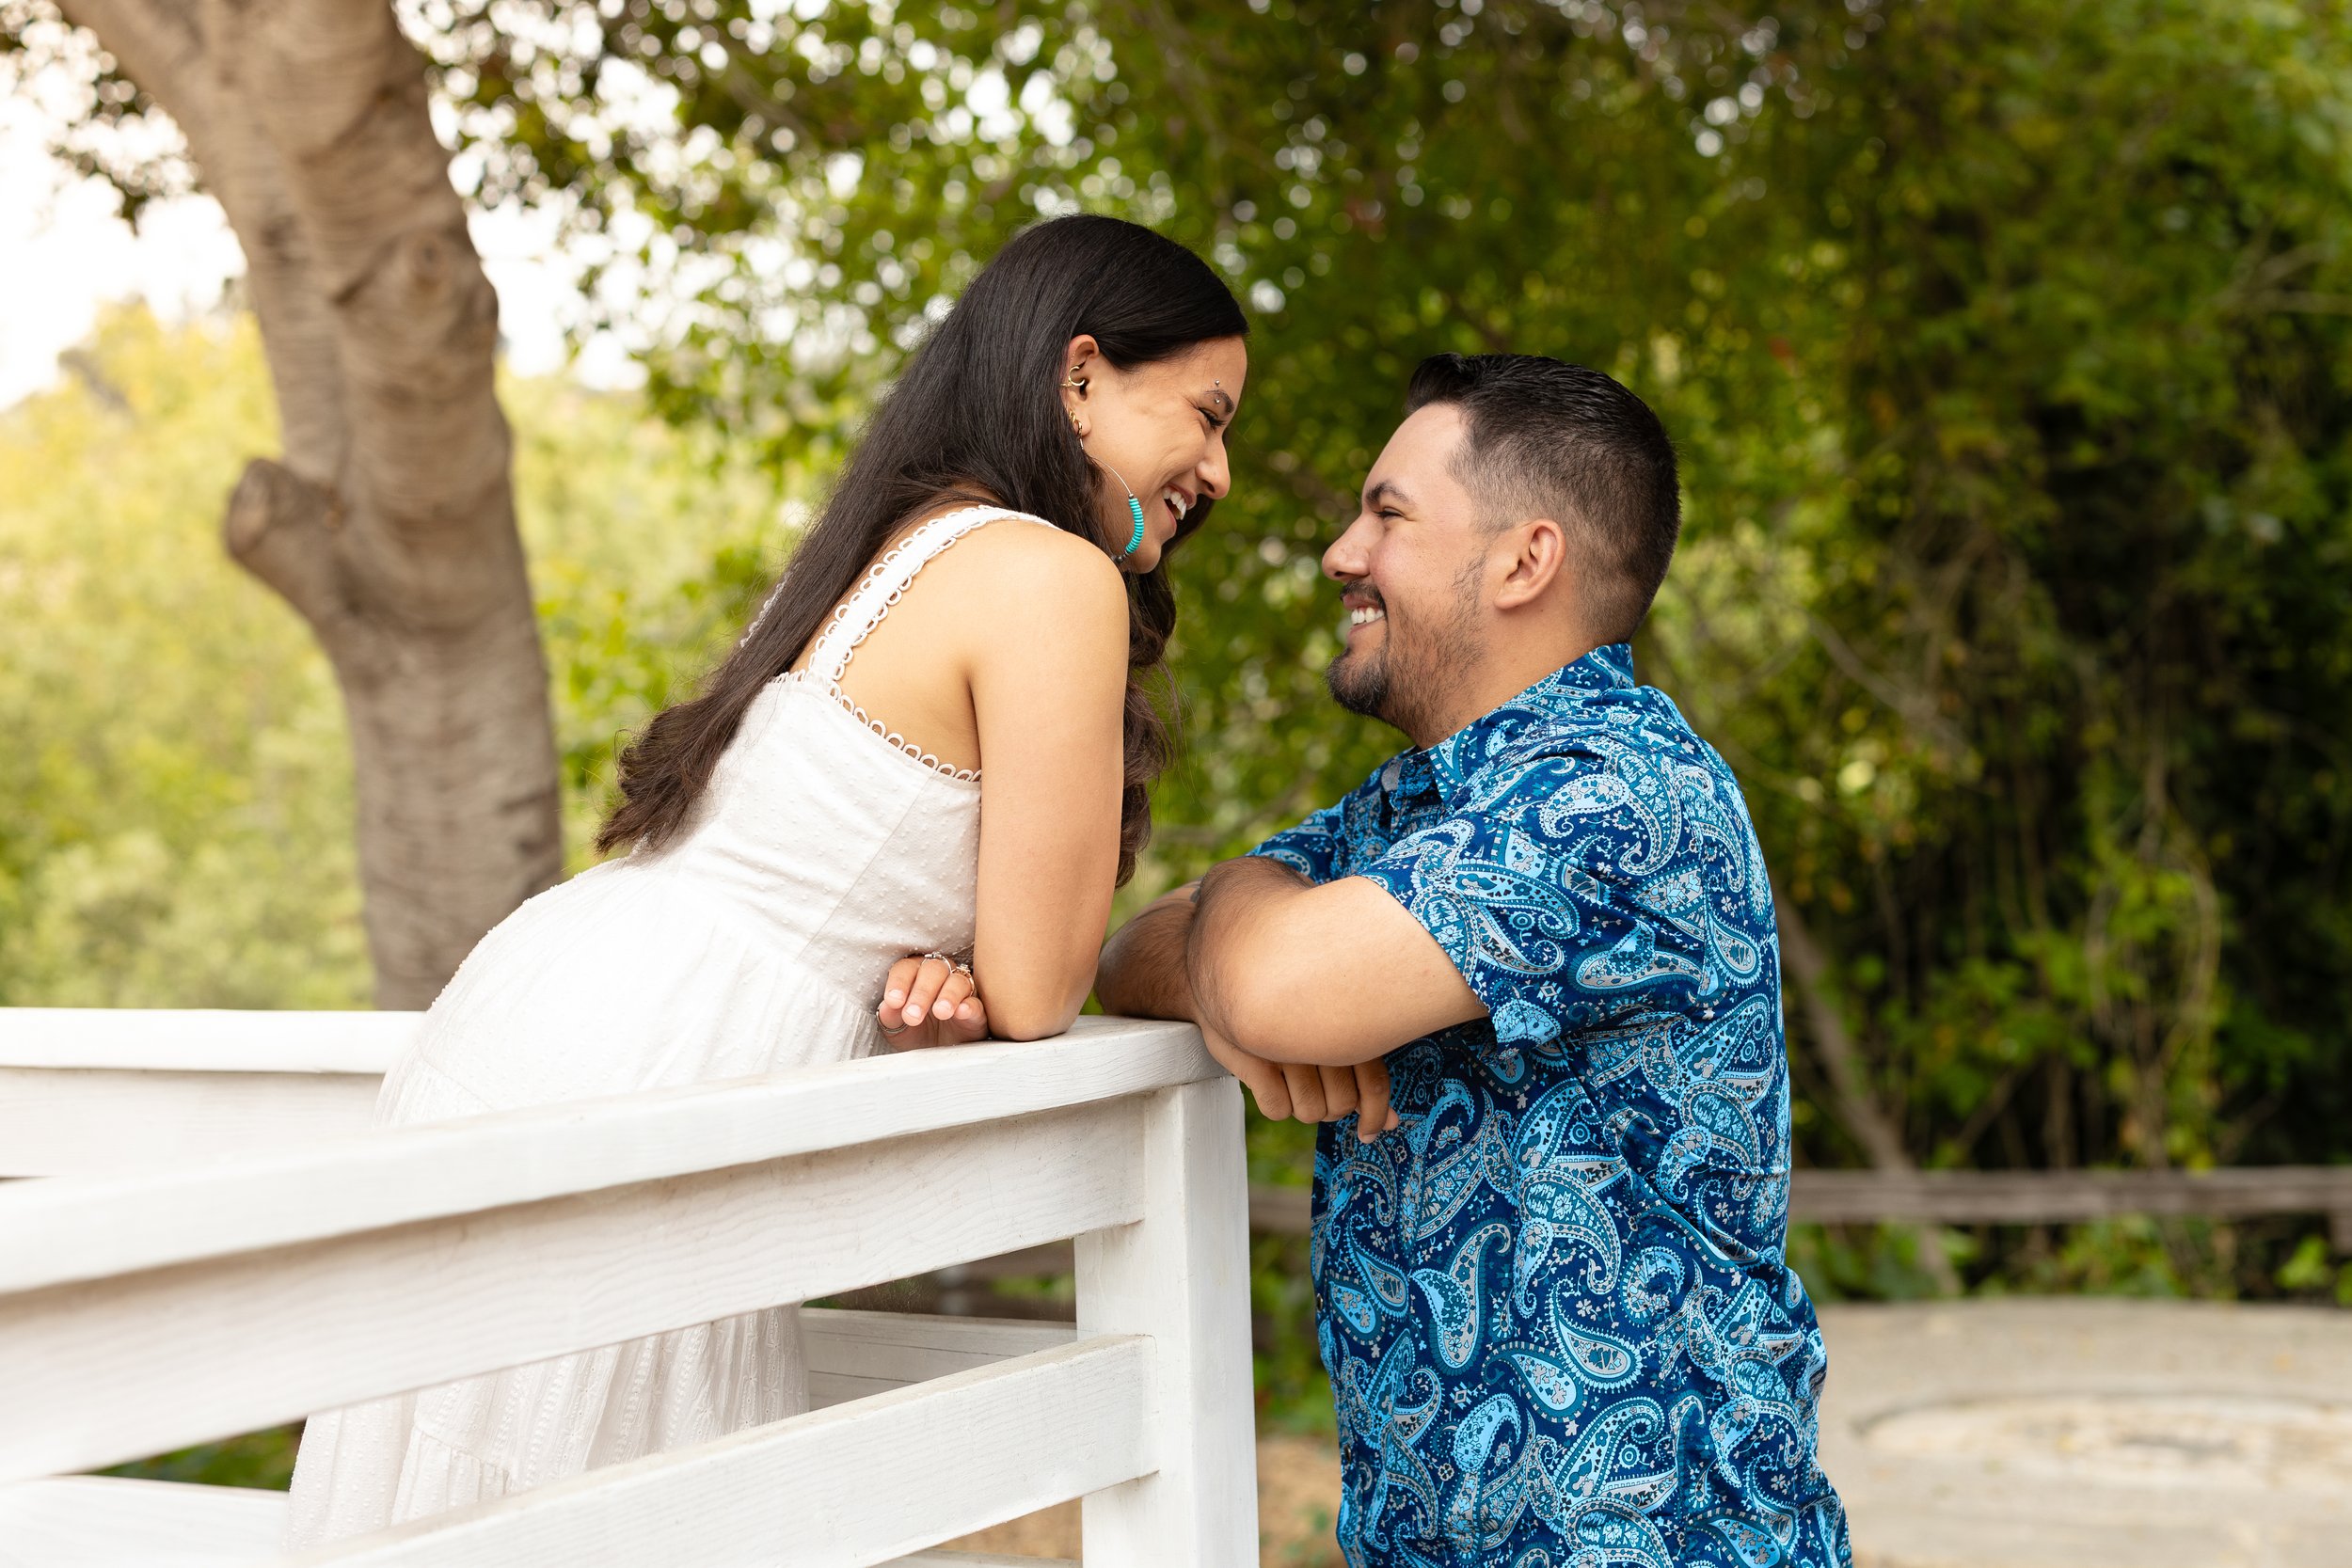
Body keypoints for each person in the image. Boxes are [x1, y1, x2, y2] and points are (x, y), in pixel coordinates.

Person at [282, 214, 1248, 1545]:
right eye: (1204, 416)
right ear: (1081, 377)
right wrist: (1003, 982)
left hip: (569, 999)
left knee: (492, 1505)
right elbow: (1042, 990)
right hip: (661, 1060)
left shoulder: (900, 539)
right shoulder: (1049, 576)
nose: (1220, 469)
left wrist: (950, 989)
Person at [1097, 355, 1851, 1567]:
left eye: (1387, 514)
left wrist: (1244, 913)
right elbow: (1134, 953)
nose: (1341, 553)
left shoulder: (1621, 800)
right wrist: (1247, 950)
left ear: (1523, 560)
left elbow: (1273, 978)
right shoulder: (1420, 809)